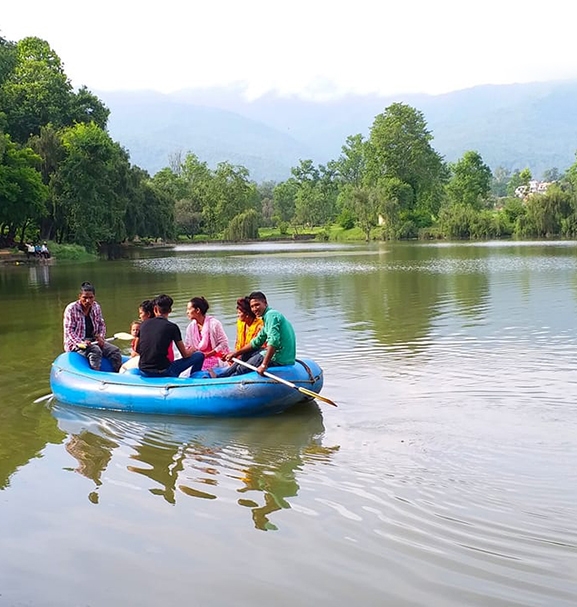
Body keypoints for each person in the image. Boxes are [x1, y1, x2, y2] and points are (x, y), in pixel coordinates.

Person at [222, 291, 296, 376]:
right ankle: (223, 376)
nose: (254, 309)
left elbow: (273, 341)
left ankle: (228, 380)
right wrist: (236, 353)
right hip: (279, 355)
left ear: (265, 303)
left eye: (257, 305)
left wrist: (264, 365)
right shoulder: (267, 317)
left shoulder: (271, 315)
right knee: (246, 354)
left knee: (241, 369)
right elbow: (257, 341)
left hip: (279, 357)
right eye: (252, 306)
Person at [137, 294, 204, 377]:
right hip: (164, 371)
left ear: (155, 309)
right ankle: (194, 379)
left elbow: (137, 348)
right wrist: (192, 350)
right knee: (200, 355)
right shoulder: (172, 327)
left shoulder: (143, 325)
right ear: (170, 310)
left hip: (143, 370)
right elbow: (185, 354)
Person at [63, 281, 122, 372]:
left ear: (94, 297)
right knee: (95, 351)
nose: (88, 301)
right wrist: (81, 342)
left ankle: (119, 374)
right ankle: (95, 375)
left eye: (91, 298)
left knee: (115, 351)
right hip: (76, 343)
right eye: (85, 298)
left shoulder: (96, 307)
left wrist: (100, 337)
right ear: (79, 297)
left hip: (93, 341)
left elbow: (101, 325)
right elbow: (69, 331)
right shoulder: (71, 309)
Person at [216, 296, 264, 378]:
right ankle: (222, 376)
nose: (237, 315)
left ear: (247, 314)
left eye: (239, 313)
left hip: (256, 354)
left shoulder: (260, 325)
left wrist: (236, 354)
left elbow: (258, 346)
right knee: (237, 362)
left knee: (241, 367)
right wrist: (233, 355)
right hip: (242, 355)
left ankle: (230, 377)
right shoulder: (240, 323)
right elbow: (238, 342)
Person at [184, 296, 230, 370]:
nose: (187, 312)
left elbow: (224, 343)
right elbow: (187, 346)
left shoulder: (214, 324)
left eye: (189, 309)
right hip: (198, 358)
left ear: (198, 310)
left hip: (214, 357)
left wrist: (209, 354)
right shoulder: (190, 327)